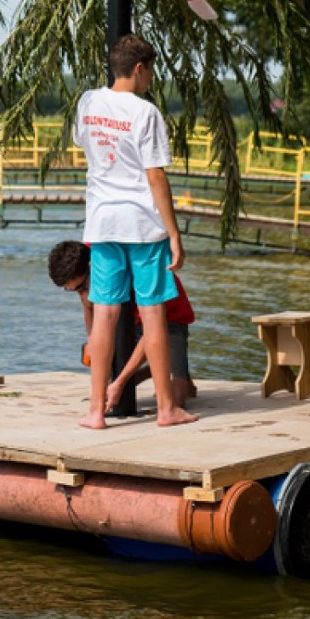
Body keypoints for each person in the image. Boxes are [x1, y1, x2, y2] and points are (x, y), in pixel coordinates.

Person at [72, 32, 198, 430]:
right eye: (151, 72)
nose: (150, 81)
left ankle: (95, 411)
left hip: (102, 221)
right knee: (153, 312)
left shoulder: (88, 102)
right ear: (140, 68)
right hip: (143, 225)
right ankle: (166, 409)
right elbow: (155, 176)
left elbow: (86, 147)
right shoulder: (146, 113)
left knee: (106, 313)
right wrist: (174, 233)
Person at [47, 240, 197, 410]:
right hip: (128, 321)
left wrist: (120, 381)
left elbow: (151, 333)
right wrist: (92, 343)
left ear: (92, 266)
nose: (82, 293)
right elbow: (88, 306)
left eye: (82, 286)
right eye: (73, 290)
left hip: (168, 320)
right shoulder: (87, 257)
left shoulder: (137, 270)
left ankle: (171, 369)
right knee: (103, 363)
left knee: (177, 399)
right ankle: (157, 368)